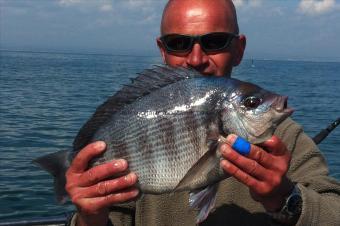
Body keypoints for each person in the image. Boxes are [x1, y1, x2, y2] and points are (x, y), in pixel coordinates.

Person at [66, 0, 340, 225]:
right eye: (178, 43)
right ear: (163, 51)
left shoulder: (284, 138)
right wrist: (90, 217)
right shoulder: (130, 128)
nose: (196, 59)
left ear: (239, 49)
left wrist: (285, 197)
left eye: (215, 41)